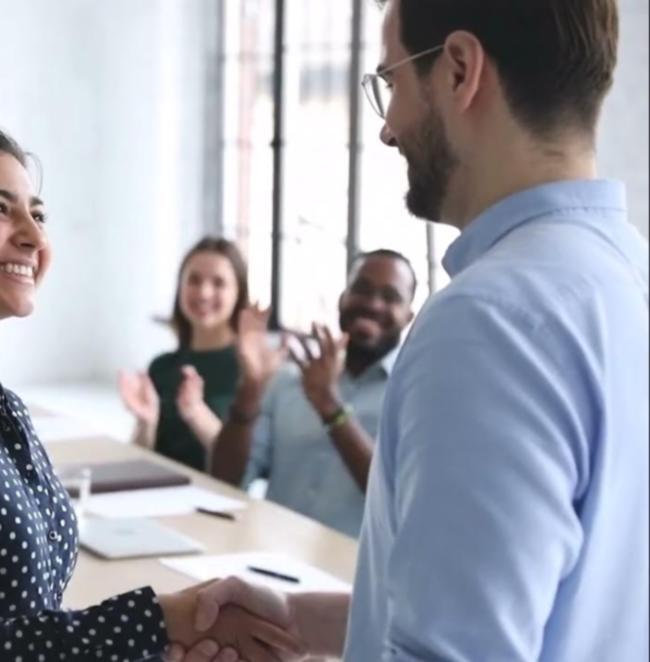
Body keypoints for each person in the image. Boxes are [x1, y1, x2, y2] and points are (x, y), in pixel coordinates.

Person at [174, 0, 649, 659]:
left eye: (391, 83)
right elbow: (537, 606)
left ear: (458, 70)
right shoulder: (626, 275)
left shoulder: (489, 322)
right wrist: (296, 619)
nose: (388, 130)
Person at [0, 122, 302, 661]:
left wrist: (160, 642)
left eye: (37, 215)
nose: (34, 238)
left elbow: (31, 619)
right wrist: (153, 623)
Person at [209, 250, 416, 537]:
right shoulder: (289, 377)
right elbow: (225, 478)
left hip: (351, 575)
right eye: (362, 289)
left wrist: (329, 406)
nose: (373, 304)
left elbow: (396, 498)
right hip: (266, 555)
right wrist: (251, 388)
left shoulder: (413, 394)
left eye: (391, 297)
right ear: (343, 299)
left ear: (409, 316)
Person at [118, 238, 247, 472]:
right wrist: (146, 423)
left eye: (219, 283)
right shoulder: (162, 366)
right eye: (194, 280)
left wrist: (196, 413)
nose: (204, 293)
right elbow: (138, 460)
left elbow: (245, 469)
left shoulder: (249, 373)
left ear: (239, 293)